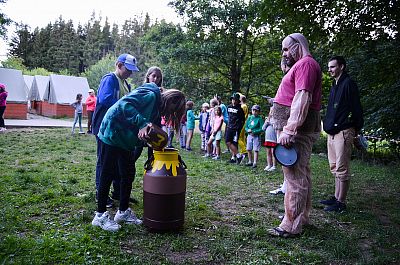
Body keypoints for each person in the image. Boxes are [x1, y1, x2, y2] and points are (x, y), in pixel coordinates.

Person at [92, 84, 186, 231]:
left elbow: (145, 127)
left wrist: (148, 140)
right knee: (107, 172)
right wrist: (142, 123)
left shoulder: (156, 109)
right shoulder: (150, 95)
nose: (169, 114)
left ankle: (122, 212)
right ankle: (100, 215)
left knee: (128, 173)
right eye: (171, 111)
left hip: (125, 139)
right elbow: (124, 105)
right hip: (112, 130)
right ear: (170, 101)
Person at [267, 33, 322, 238]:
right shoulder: (302, 65)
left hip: (297, 130)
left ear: (298, 46)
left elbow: (302, 98)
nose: (284, 53)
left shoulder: (306, 65)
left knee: (294, 175)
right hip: (296, 127)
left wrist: (290, 129)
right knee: (301, 173)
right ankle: (302, 218)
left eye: (286, 49)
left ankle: (290, 225)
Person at [92, 53, 139, 208]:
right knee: (104, 163)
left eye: (132, 70)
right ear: (119, 65)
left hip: (118, 132)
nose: (130, 73)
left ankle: (118, 192)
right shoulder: (109, 79)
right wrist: (126, 107)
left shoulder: (126, 84)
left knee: (120, 164)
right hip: (103, 128)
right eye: (128, 69)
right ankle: (101, 195)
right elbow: (106, 100)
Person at [321, 56, 364, 212]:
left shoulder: (349, 84)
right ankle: (336, 197)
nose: (330, 70)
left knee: (342, 167)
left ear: (342, 67)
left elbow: (356, 108)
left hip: (344, 131)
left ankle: (341, 202)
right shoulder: (335, 85)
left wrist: (356, 130)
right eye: (329, 67)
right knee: (334, 166)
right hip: (332, 131)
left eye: (332, 67)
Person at [268, 59, 291, 195]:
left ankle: (288, 186)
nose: (283, 67)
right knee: (283, 156)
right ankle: (285, 184)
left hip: (284, 124)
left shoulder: (292, 77)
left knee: (286, 156)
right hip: (278, 123)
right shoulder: (286, 79)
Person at [226, 92, 245, 164]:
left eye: (235, 100)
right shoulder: (229, 107)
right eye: (233, 99)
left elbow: (242, 120)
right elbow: (229, 117)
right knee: (228, 141)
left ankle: (234, 157)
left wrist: (239, 127)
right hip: (229, 127)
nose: (234, 101)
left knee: (234, 143)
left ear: (238, 101)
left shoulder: (240, 109)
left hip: (236, 129)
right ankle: (238, 155)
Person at [262, 107, 277, 172]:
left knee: (273, 153)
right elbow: (263, 128)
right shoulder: (267, 119)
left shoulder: (276, 120)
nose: (271, 112)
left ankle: (274, 166)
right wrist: (266, 122)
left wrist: (271, 123)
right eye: (270, 111)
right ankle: (269, 165)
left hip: (273, 139)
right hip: (267, 139)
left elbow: (277, 127)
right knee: (268, 153)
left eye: (273, 111)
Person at [238, 94, 249, 162]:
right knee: (242, 138)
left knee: (239, 138)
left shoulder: (243, 106)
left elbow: (241, 116)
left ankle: (244, 151)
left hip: (242, 124)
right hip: (243, 123)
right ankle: (243, 151)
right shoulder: (244, 106)